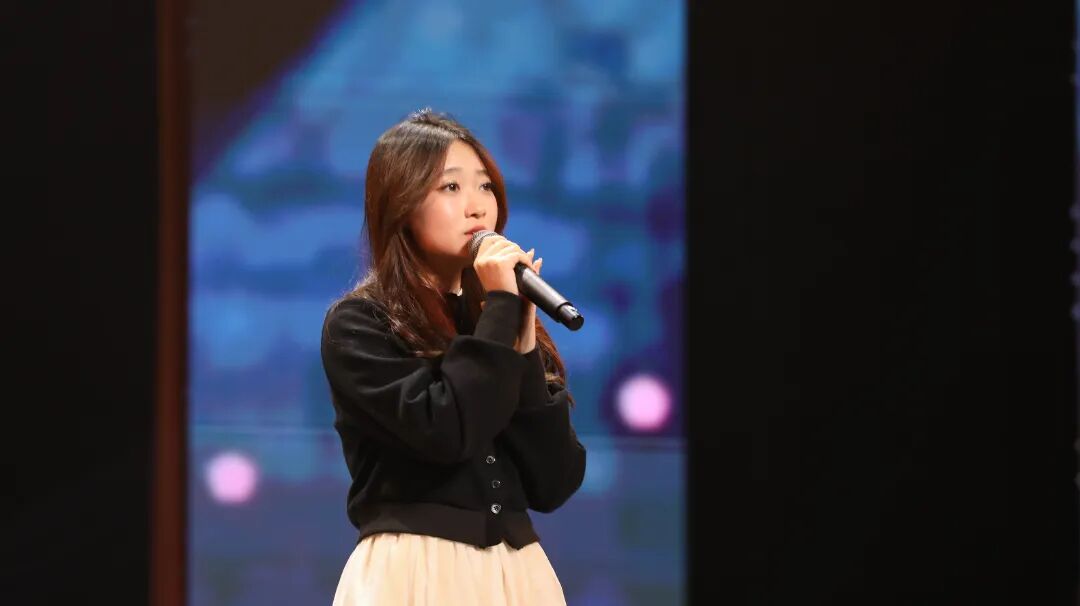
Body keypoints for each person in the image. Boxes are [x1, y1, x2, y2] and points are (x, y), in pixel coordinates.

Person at [320, 109, 586, 605]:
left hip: (518, 575)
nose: (476, 206)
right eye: (450, 187)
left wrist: (524, 344)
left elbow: (555, 482)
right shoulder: (360, 324)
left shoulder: (496, 320)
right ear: (401, 204)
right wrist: (501, 310)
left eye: (485, 187)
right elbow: (446, 430)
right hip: (415, 571)